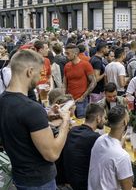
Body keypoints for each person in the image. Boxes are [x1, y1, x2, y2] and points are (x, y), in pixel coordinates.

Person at [0, 49, 71, 189]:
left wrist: (45, 117)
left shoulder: (3, 101)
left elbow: (19, 127)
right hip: (39, 181)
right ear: (29, 72)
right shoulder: (31, 109)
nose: (39, 78)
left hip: (20, 176)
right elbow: (52, 154)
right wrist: (66, 123)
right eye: (39, 73)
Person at [88, 105, 136, 190]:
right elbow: (128, 189)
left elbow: (111, 153)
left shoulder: (100, 140)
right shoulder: (122, 156)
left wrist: (120, 142)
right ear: (125, 122)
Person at [62, 103, 105, 190]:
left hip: (68, 181)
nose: (104, 120)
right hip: (83, 185)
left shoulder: (73, 131)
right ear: (98, 118)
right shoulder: (95, 138)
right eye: (104, 117)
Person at [64, 43, 96, 118]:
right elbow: (64, 83)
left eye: (67, 53)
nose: (66, 55)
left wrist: (83, 96)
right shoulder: (67, 66)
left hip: (81, 101)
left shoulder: (85, 64)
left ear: (75, 53)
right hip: (69, 100)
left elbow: (93, 82)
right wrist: (64, 96)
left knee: (81, 121)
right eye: (65, 53)